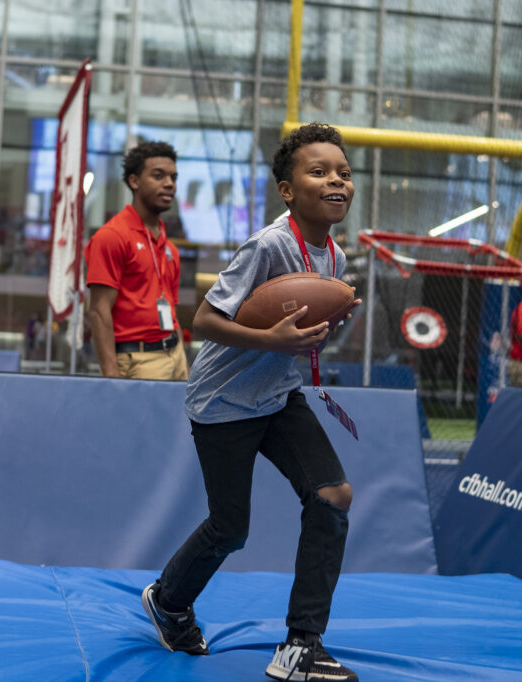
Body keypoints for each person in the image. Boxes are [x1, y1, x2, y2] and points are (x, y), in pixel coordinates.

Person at [140, 122, 361, 682]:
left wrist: (325, 323)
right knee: (231, 528)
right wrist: (272, 340)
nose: (336, 180)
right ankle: (168, 601)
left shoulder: (333, 257)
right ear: (288, 190)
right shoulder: (269, 245)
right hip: (224, 402)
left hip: (278, 395)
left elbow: (301, 330)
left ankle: (300, 646)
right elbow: (204, 320)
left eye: (343, 172)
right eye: (319, 171)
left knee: (333, 496)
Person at [85, 140, 188, 380]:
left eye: (173, 177)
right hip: (138, 361)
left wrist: (182, 360)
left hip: (174, 355)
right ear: (134, 181)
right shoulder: (112, 236)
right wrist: (111, 375)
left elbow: (170, 309)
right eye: (158, 176)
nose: (169, 184)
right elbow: (99, 312)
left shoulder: (169, 246)